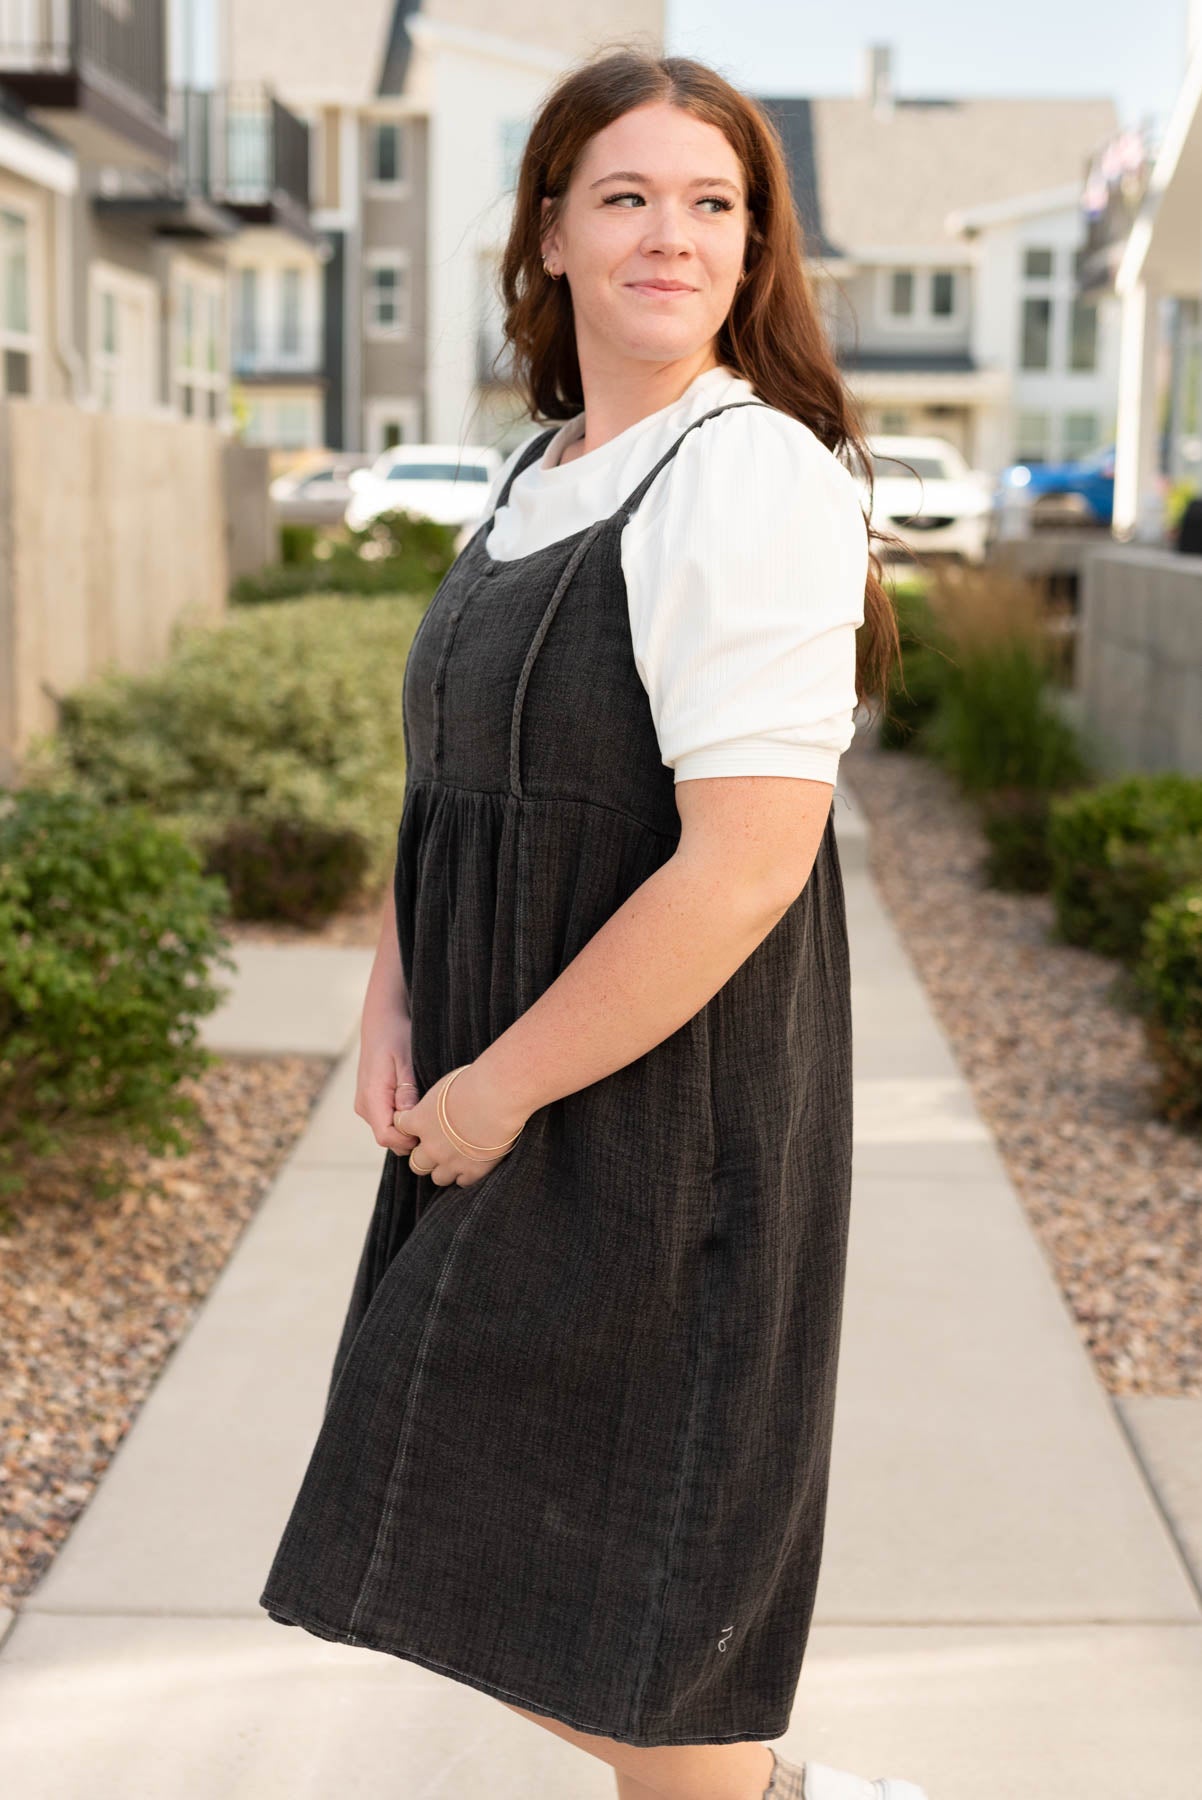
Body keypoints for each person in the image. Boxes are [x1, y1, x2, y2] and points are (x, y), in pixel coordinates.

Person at [259, 45, 927, 1800]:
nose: (669, 237)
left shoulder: (749, 477)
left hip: (656, 1122)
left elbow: (742, 865)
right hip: (498, 1090)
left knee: (629, 1618)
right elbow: (451, 792)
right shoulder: (533, 469)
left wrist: (500, 1088)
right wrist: (394, 1006)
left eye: (713, 206)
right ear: (547, 233)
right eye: (624, 197)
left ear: (754, 250)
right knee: (455, 1544)